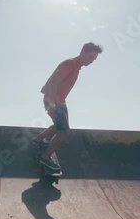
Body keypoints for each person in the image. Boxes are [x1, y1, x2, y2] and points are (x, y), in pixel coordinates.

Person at [32, 42, 103, 170]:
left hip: (60, 102)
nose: (92, 61)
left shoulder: (76, 66)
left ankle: (38, 139)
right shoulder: (71, 64)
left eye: (94, 59)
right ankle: (45, 158)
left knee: (61, 127)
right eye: (90, 57)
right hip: (53, 101)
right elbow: (55, 81)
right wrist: (52, 102)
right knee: (64, 132)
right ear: (83, 52)